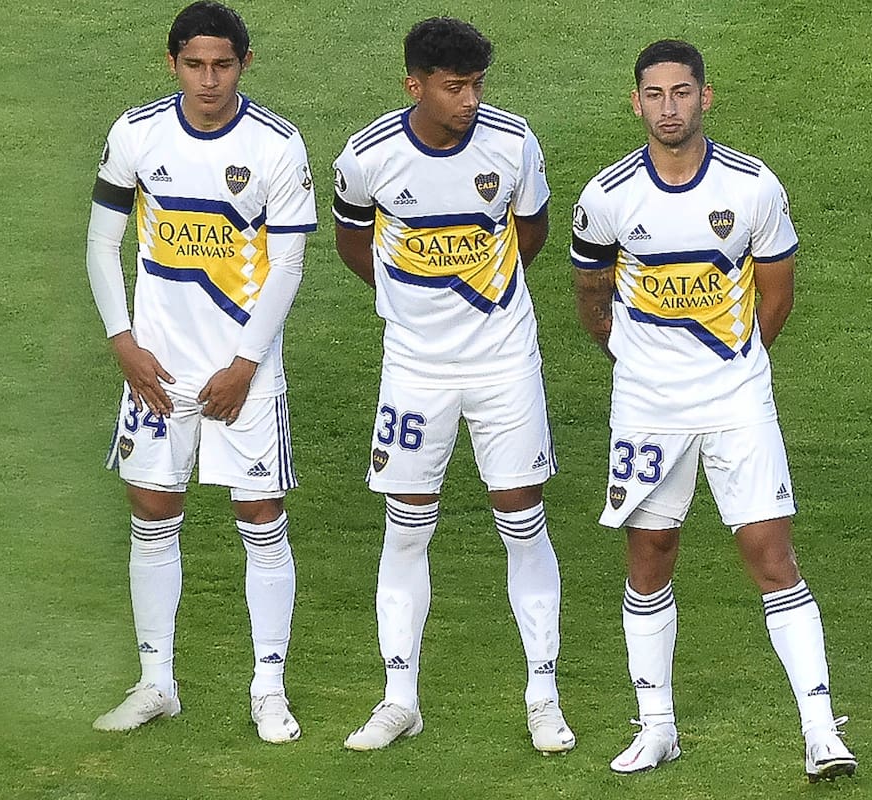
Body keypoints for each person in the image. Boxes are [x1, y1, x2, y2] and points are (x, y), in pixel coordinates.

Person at [570, 39, 856, 780]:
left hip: (737, 404)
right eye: (655, 94)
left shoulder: (753, 186)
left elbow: (777, 296)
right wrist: (643, 369)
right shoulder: (606, 197)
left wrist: (734, 367)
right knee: (649, 558)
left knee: (771, 556)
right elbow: (593, 303)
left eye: (682, 92)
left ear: (707, 97)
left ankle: (821, 730)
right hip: (646, 411)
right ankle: (657, 726)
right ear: (636, 103)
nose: (670, 107)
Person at [332, 16, 574, 754]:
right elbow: (352, 242)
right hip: (413, 370)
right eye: (453, 86)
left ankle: (543, 694)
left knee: (521, 516)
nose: (469, 99)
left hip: (505, 363)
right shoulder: (368, 157)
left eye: (475, 84)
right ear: (415, 86)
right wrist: (414, 312)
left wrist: (482, 302)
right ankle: (399, 697)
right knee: (407, 521)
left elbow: (528, 233)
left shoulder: (513, 141)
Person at [84, 1, 317, 744]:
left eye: (222, 65)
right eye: (194, 64)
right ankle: (157, 683)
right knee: (151, 515)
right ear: (172, 63)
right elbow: (102, 242)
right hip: (155, 367)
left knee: (260, 518)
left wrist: (247, 362)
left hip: (243, 375)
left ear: (246, 64)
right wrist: (122, 341)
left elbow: (286, 261)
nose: (208, 80)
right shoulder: (136, 133)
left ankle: (269, 691)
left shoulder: (277, 146)